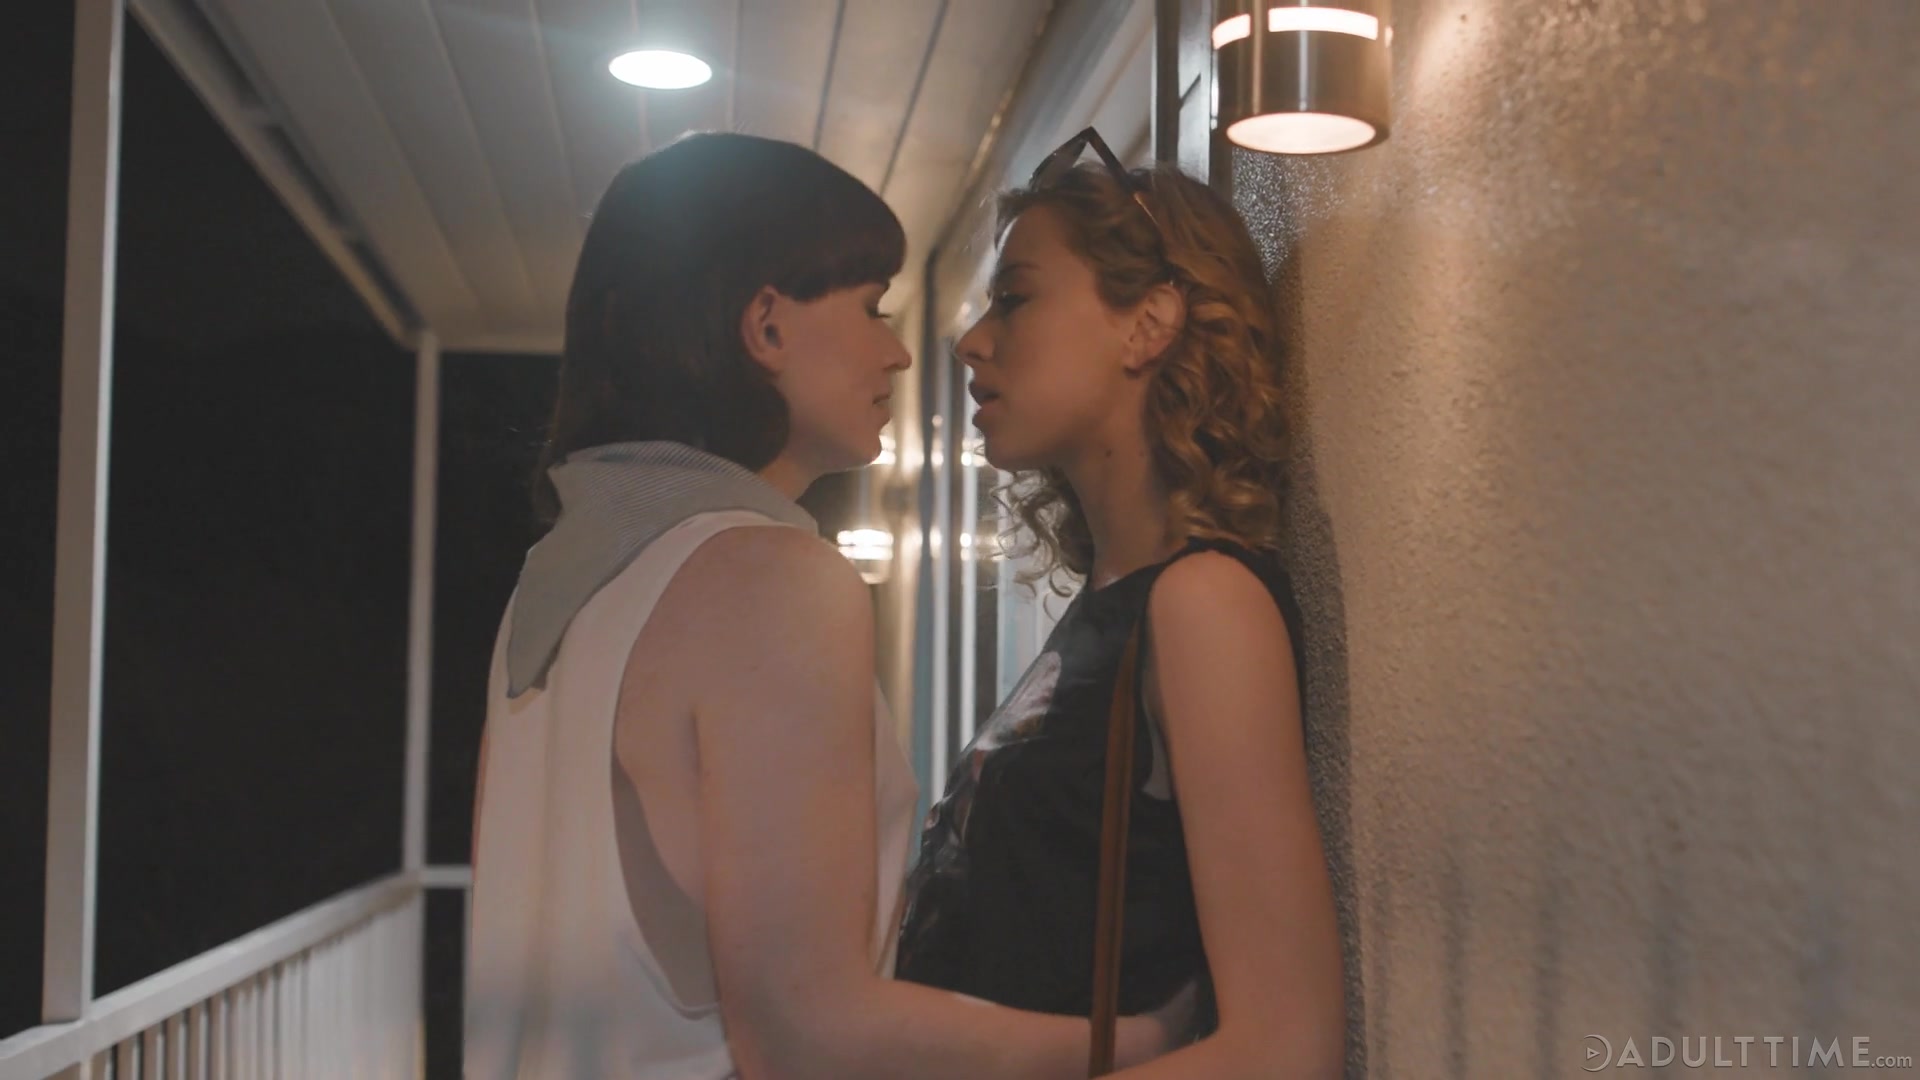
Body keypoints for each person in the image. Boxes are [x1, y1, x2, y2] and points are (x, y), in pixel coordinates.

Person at [463, 132, 1187, 1080]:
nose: (899, 352)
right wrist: (1147, 1042)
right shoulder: (765, 578)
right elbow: (807, 1033)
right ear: (766, 325)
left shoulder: (551, 593)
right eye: (871, 306)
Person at [894, 128, 1347, 1078]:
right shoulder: (1114, 605)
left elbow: (1285, 1048)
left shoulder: (1204, 605)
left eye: (1015, 298)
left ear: (1149, 323)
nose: (973, 341)